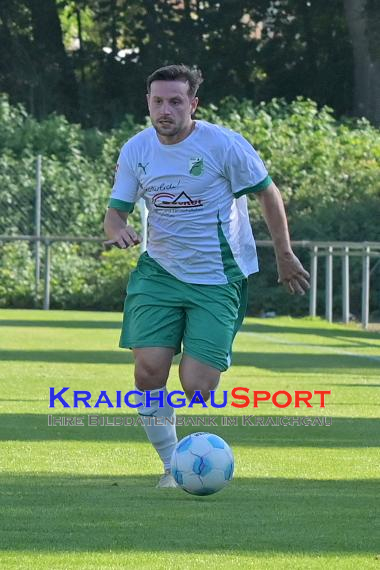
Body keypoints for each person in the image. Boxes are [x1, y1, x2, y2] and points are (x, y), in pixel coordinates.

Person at [104, 64, 310, 488]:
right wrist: (116, 229)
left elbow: (267, 193)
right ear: (147, 102)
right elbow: (115, 211)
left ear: (192, 104)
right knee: (147, 371)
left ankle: (186, 456)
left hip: (217, 277)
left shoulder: (224, 145)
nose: (165, 110)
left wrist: (284, 255)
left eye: (175, 101)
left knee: (198, 388)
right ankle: (170, 467)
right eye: (157, 101)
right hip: (158, 272)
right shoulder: (136, 149)